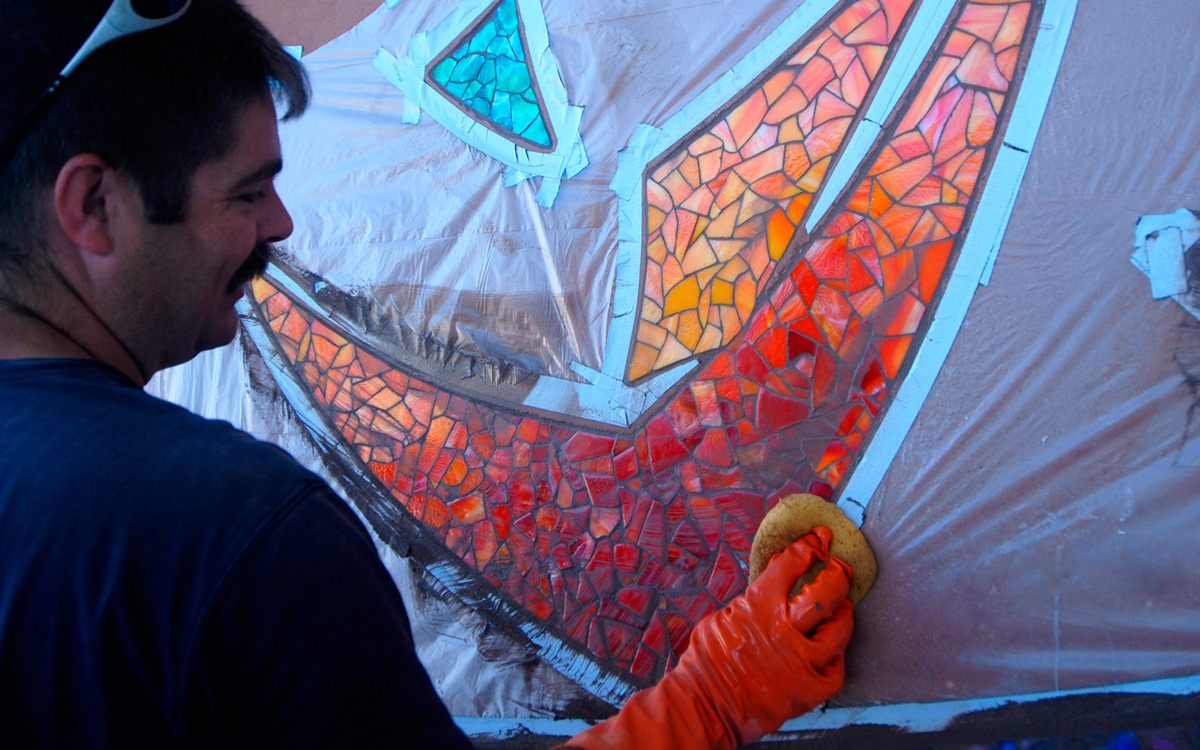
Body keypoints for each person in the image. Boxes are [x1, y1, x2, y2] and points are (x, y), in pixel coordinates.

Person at [0, 1, 854, 747]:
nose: (282, 222)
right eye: (246, 193)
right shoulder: (240, 533)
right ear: (94, 206)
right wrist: (708, 704)